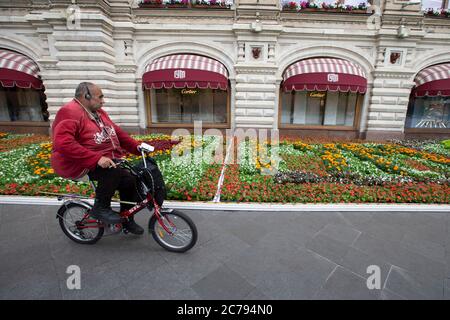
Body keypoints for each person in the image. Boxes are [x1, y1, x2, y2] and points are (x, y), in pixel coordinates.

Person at [51, 82, 144, 235]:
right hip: (76, 164)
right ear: (86, 96)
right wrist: (96, 159)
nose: (103, 101)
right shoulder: (69, 112)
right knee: (112, 172)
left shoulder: (99, 112)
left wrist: (138, 148)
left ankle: (127, 220)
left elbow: (117, 133)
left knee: (130, 180)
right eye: (100, 97)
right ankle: (100, 208)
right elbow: (63, 143)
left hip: (98, 160)